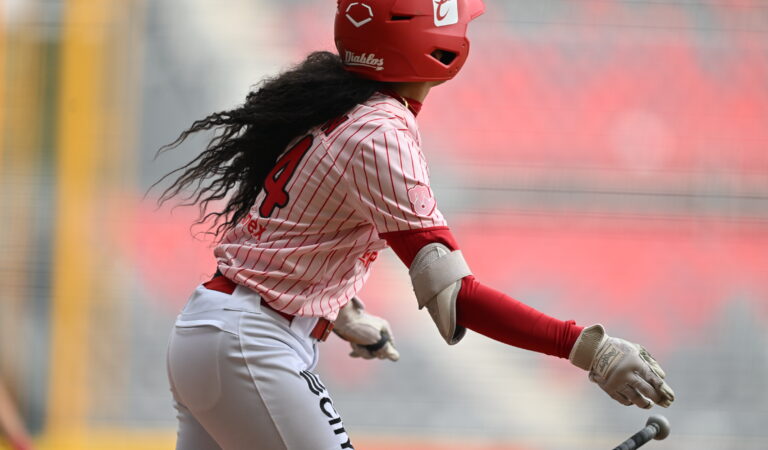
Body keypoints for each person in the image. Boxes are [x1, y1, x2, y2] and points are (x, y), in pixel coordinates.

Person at [159, 1, 675, 449]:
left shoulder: (342, 108)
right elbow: (454, 294)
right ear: (434, 43)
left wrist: (338, 311)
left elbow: (295, 234)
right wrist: (589, 348)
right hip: (254, 343)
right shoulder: (381, 129)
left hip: (210, 333)